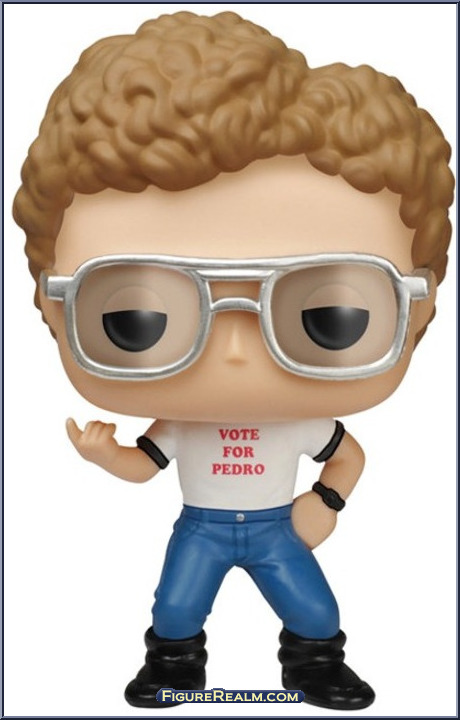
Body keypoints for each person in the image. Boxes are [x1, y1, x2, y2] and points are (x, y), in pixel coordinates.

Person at [13, 11, 453, 711]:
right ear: (51, 304)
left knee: (314, 606)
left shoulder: (297, 426)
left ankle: (315, 666)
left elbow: (347, 457)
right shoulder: (182, 426)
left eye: (328, 315)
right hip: (202, 526)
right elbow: (144, 466)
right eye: (138, 317)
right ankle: (173, 666)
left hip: (278, 526)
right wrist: (104, 455)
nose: (239, 352)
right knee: (176, 605)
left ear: (418, 312)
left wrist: (327, 502)